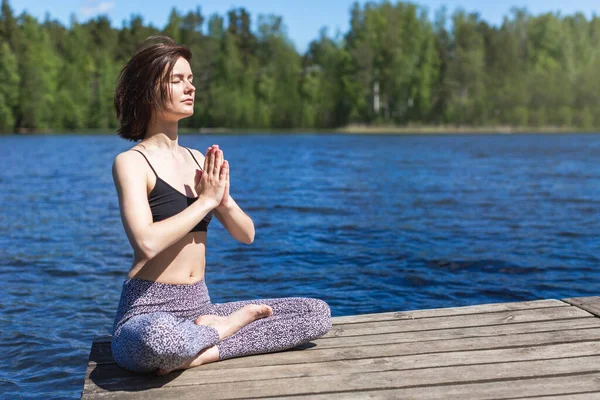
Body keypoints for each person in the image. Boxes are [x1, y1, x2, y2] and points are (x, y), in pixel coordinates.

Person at [110, 36, 332, 375]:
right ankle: (220, 332)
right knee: (156, 341)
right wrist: (206, 201)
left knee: (315, 313)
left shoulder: (198, 159)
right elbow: (146, 242)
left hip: (199, 305)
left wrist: (223, 200)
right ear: (150, 91)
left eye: (191, 79)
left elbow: (247, 234)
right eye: (178, 80)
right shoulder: (132, 163)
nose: (191, 87)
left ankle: (199, 348)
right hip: (147, 310)